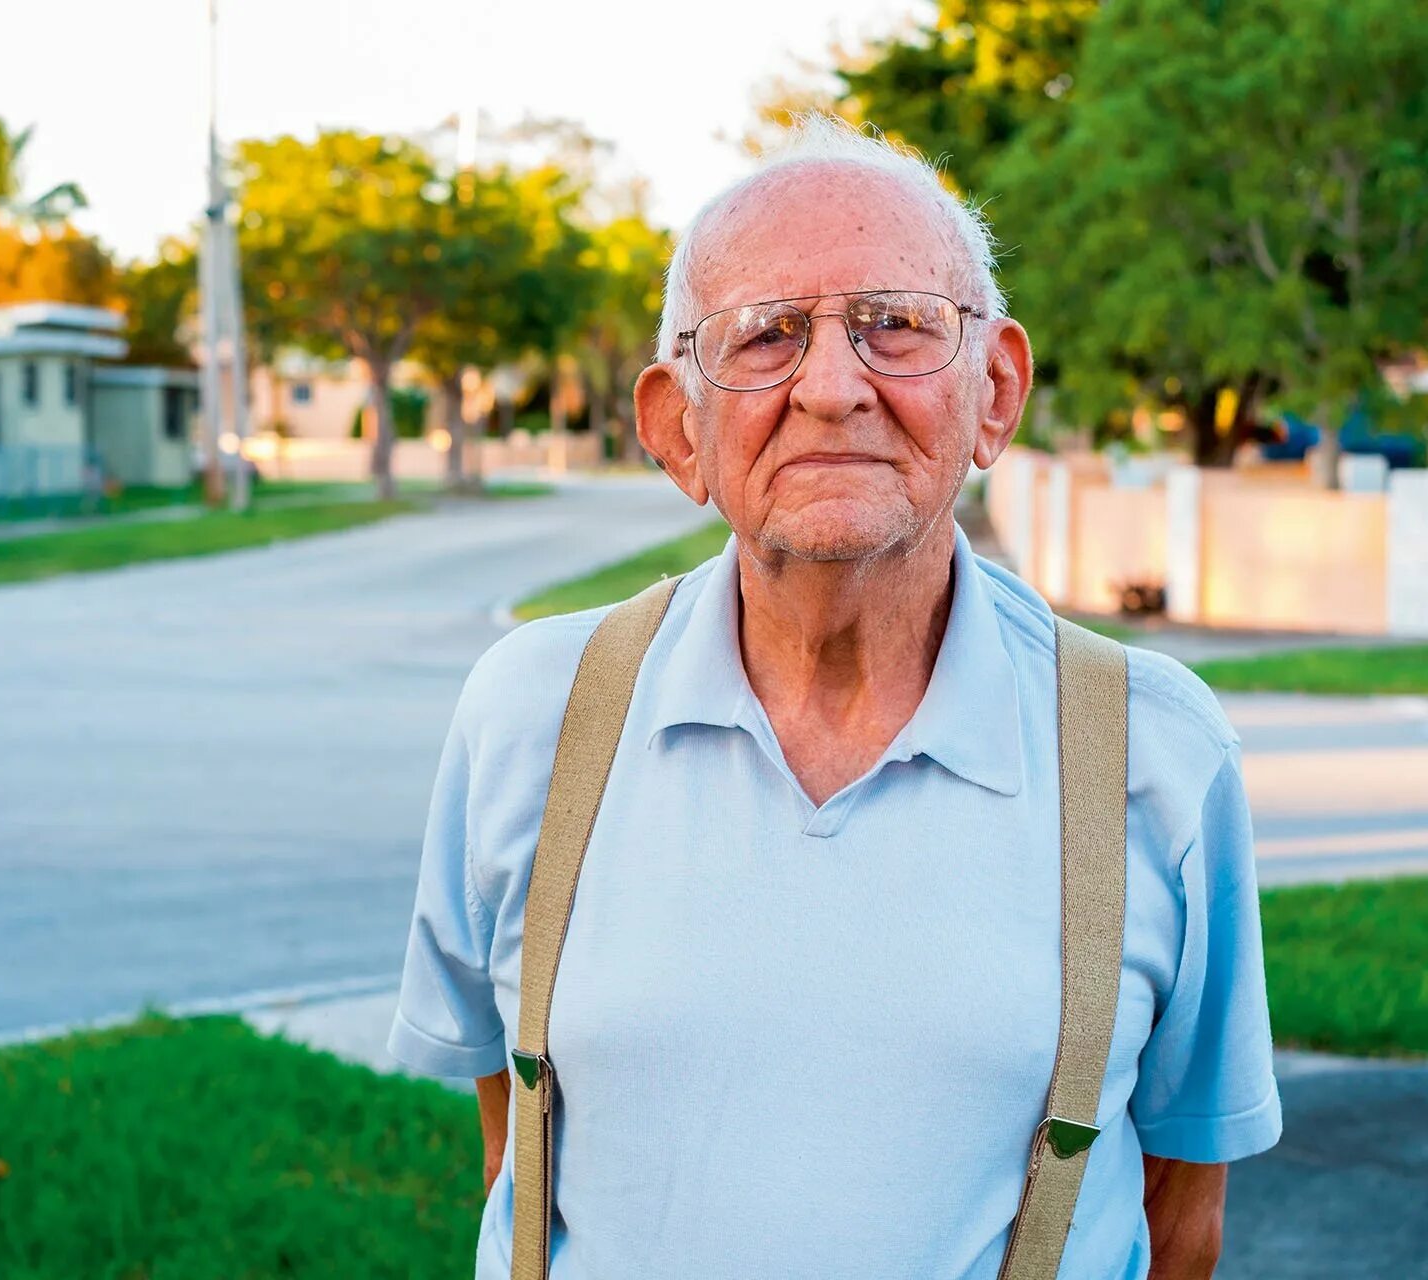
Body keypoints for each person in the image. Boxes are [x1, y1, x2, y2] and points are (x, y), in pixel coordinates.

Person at [387, 114, 1281, 1278]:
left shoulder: (1156, 752)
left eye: (896, 326)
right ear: (674, 428)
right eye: (763, 338)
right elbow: (515, 1144)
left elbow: (1182, 1211)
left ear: (996, 391)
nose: (830, 387)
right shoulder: (532, 716)